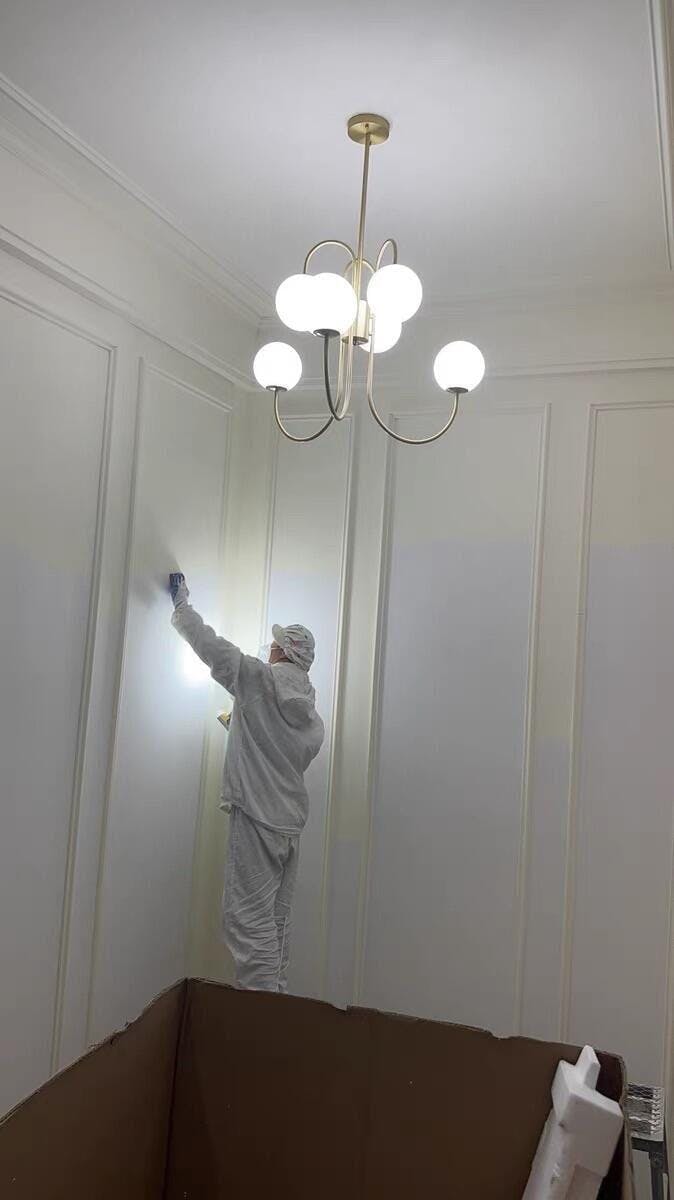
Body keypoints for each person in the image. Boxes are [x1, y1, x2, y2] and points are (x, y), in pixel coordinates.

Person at [168, 572, 324, 993]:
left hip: (257, 818)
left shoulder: (258, 679)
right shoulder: (311, 714)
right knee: (276, 927)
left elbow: (212, 647)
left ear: (282, 650)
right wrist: (242, 728)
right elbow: (282, 752)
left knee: (248, 925)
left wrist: (181, 605)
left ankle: (260, 1021)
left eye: (274, 644)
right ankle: (278, 1011)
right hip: (289, 826)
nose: (268, 648)